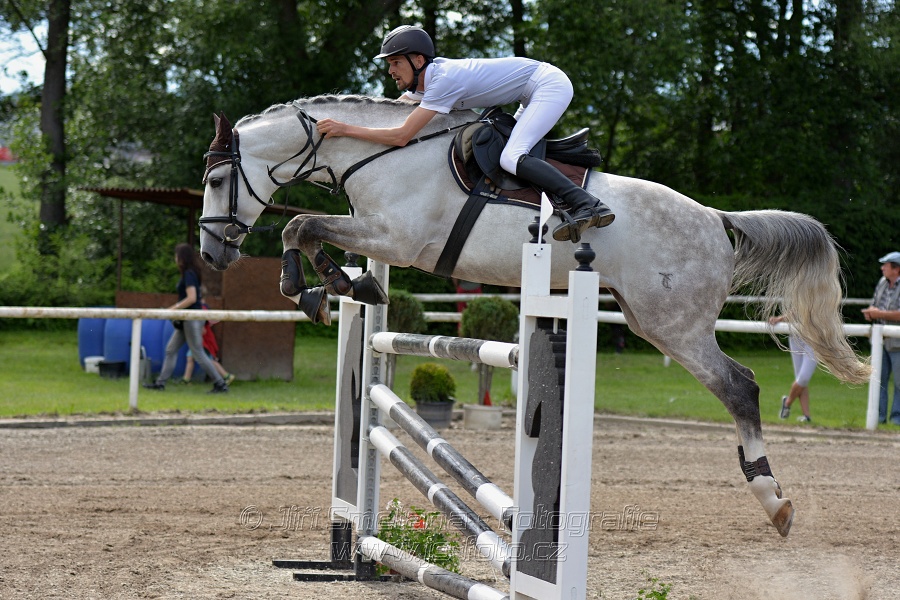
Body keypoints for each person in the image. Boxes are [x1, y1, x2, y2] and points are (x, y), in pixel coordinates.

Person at [315, 25, 614, 243]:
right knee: (510, 155)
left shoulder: (443, 81)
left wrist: (345, 129)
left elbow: (401, 136)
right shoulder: (433, 83)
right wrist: (345, 117)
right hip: (531, 91)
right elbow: (396, 108)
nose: (390, 70)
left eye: (395, 62)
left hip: (547, 85)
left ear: (418, 61)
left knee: (511, 157)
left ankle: (587, 203)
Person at [143, 243, 229, 394]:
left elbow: (191, 298)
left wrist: (172, 309)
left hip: (191, 318)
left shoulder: (189, 274)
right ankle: (160, 383)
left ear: (182, 257)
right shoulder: (191, 273)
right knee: (170, 350)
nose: (175, 258)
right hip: (187, 318)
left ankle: (220, 383)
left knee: (198, 353)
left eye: (177, 255)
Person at [861, 251, 900, 424]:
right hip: (880, 342)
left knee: (899, 383)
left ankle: (896, 419)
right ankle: (880, 417)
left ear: (896, 269)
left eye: (885, 265)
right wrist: (871, 312)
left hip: (897, 343)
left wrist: (878, 313)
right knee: (878, 381)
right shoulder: (882, 282)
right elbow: (876, 303)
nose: (882, 268)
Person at [768, 315, 816, 423]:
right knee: (801, 377)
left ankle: (787, 402)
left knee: (803, 378)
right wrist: (779, 319)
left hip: (815, 338)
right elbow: (796, 310)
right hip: (796, 336)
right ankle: (807, 417)